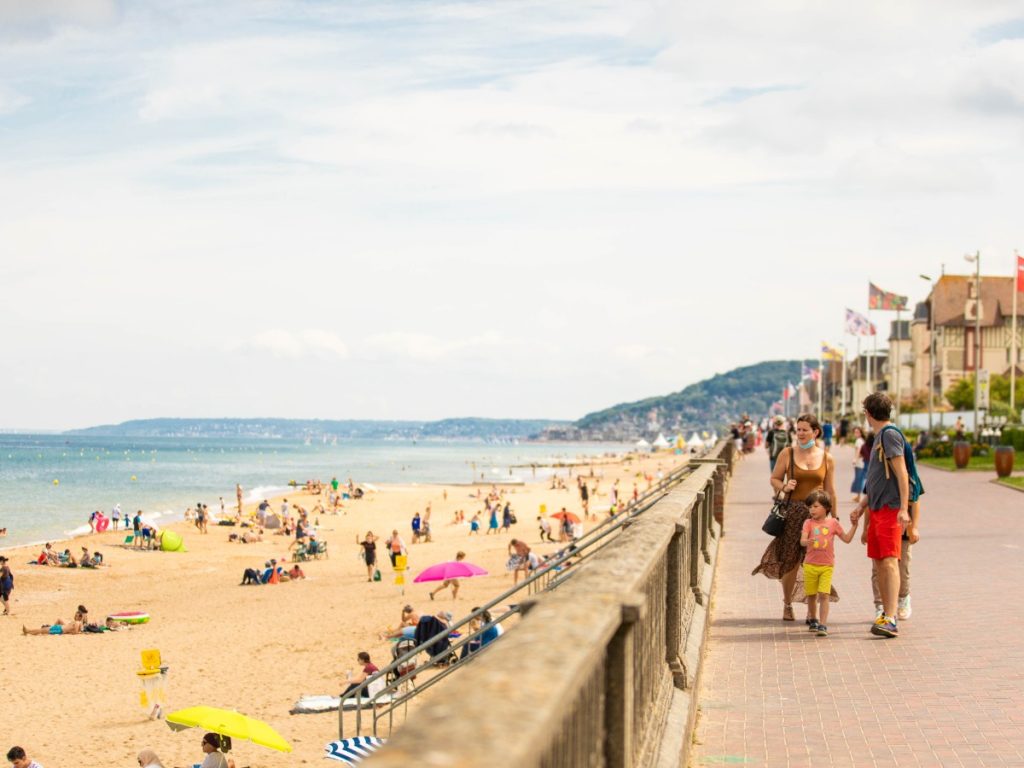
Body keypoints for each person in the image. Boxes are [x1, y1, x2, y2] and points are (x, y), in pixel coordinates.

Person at [752, 413, 838, 622]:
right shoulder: (787, 454)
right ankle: (787, 603)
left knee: (815, 563)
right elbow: (774, 478)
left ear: (815, 432)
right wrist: (784, 486)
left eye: (804, 430)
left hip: (817, 517)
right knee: (790, 561)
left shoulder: (827, 458)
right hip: (792, 513)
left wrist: (834, 517)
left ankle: (811, 612)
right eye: (798, 429)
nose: (800, 433)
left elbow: (830, 490)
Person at [850, 392, 911, 639]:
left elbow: (902, 473)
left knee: (889, 560)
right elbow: (875, 480)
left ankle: (892, 618)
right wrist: (862, 506)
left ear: (867, 413)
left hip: (889, 508)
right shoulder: (879, 437)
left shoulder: (889, 435)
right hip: (876, 508)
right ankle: (886, 614)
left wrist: (904, 509)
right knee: (879, 561)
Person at [800, 490, 858, 637]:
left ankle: (823, 624)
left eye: (815, 506)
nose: (811, 509)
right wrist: (807, 542)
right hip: (810, 565)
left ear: (826, 507)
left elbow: (846, 539)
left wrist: (854, 526)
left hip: (826, 566)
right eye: (810, 507)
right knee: (812, 595)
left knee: (824, 595)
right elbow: (802, 540)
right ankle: (813, 619)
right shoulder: (808, 523)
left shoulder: (833, 523)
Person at [869, 498, 920, 621]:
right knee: (878, 570)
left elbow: (915, 501)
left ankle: (903, 597)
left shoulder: (908, 479)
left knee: (902, 568)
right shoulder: (874, 478)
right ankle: (880, 605)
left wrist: (914, 527)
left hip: (902, 530)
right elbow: (870, 501)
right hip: (879, 527)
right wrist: (866, 527)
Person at [850, 426, 867, 502]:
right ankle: (858, 496)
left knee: (859, 479)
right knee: (861, 479)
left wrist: (855, 459)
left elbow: (858, 451)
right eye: (855, 432)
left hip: (859, 463)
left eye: (857, 432)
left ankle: (859, 496)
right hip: (863, 462)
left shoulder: (858, 441)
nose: (855, 434)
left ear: (861, 433)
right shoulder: (863, 440)